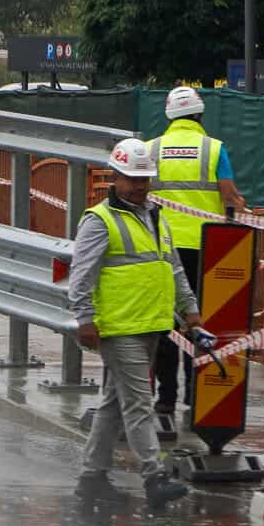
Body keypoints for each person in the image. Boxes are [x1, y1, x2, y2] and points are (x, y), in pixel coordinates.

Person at [71, 138, 203, 507]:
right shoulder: (100, 221)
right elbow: (81, 276)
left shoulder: (156, 215)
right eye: (132, 178)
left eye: (145, 178)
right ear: (114, 177)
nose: (140, 185)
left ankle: (92, 476)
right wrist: (85, 319)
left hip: (151, 324)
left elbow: (172, 266)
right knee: (140, 404)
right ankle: (154, 477)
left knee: (114, 403)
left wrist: (189, 309)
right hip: (119, 327)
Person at [147, 87, 247, 432]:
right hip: (207, 248)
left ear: (169, 116)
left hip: (161, 247)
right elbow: (229, 197)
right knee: (198, 322)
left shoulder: (151, 149)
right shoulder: (214, 148)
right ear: (200, 117)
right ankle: (195, 394)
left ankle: (165, 398)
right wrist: (239, 204)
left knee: (166, 322)